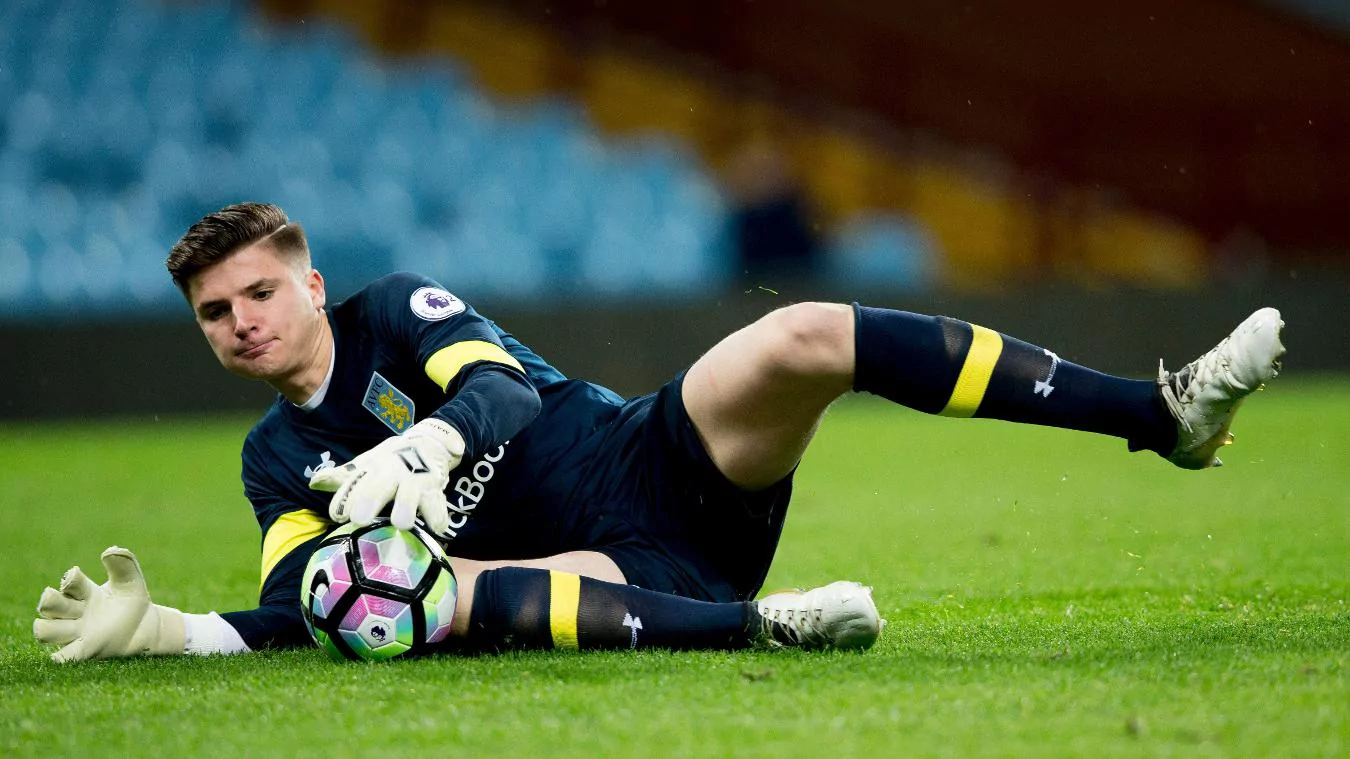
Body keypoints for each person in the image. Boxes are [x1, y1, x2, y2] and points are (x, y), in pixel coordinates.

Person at [33, 203, 1285, 662]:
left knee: (799, 335)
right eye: (215, 314)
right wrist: (175, 632)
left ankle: (1160, 414)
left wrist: (428, 446)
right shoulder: (273, 463)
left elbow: (502, 395)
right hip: (608, 579)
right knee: (429, 599)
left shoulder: (395, 311)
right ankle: (764, 625)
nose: (243, 323)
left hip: (651, 459)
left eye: (259, 293)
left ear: (310, 285)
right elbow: (320, 602)